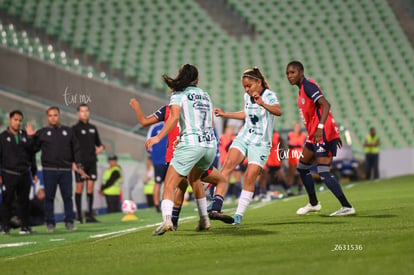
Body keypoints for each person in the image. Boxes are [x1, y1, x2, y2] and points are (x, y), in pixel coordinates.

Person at [144, 64, 218, 236]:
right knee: (194, 179)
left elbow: (174, 117)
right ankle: (204, 220)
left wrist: (158, 137)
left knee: (169, 186)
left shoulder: (178, 95)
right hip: (209, 146)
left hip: (191, 145)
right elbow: (210, 124)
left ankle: (167, 220)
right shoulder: (205, 95)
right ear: (197, 80)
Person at [213, 67, 282, 225]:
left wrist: (262, 103)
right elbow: (246, 114)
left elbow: (278, 111)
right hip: (244, 136)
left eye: (249, 85)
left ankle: (238, 215)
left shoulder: (269, 96)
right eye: (244, 86)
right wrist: (225, 114)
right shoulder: (247, 96)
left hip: (261, 143)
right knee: (228, 165)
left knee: (249, 178)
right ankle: (216, 205)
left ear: (258, 83)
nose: (246, 89)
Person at [286, 61, 355, 216]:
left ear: (301, 72)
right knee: (302, 168)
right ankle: (313, 203)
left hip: (321, 133)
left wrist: (322, 128)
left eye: (292, 72)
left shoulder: (309, 86)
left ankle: (347, 206)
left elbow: (326, 104)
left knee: (323, 172)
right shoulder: (302, 88)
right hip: (315, 134)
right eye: (287, 73)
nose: (289, 76)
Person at [31, 106, 88, 232]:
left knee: (67, 197)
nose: (53, 118)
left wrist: (78, 165)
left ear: (59, 116)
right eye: (50, 115)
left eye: (55, 115)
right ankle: (50, 223)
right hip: (49, 170)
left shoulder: (68, 131)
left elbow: (76, 150)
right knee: (49, 198)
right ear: (47, 117)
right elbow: (33, 149)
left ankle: (69, 222)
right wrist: (31, 137)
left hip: (65, 170)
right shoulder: (42, 132)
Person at [0, 110, 38, 234]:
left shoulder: (25, 135)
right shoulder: (2, 137)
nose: (18, 122)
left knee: (24, 202)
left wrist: (34, 171)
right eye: (15, 120)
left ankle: (25, 226)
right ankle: (5, 227)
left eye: (20, 120)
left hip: (24, 174)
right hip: (8, 174)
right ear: (10, 120)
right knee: (7, 201)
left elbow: (32, 153)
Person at [72, 104, 104, 223]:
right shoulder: (74, 129)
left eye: (86, 111)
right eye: (82, 111)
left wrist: (101, 148)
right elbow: (71, 147)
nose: (84, 113)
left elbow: (99, 144)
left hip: (92, 162)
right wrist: (73, 162)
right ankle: (79, 216)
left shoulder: (93, 128)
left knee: (90, 189)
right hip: (80, 163)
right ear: (78, 113)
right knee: (79, 188)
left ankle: (89, 215)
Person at [146, 121, 168, 213]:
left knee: (168, 184)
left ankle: (167, 204)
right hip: (159, 161)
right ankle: (157, 206)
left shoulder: (172, 125)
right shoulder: (155, 127)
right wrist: (153, 156)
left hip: (169, 159)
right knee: (158, 183)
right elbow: (148, 142)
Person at [287, 121, 307, 195]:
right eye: (295, 127)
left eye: (298, 127)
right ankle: (289, 189)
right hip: (293, 155)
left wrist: (300, 145)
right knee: (291, 173)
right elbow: (289, 143)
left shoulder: (303, 135)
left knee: (301, 173)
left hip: (300, 155)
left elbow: (304, 145)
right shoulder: (290, 134)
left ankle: (300, 188)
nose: (297, 128)